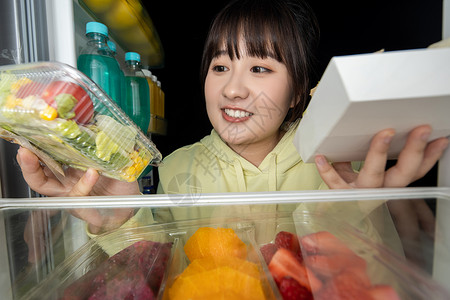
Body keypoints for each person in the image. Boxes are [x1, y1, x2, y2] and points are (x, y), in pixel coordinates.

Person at [17, 0, 448, 257]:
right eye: (220, 66)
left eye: (260, 67)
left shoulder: (339, 160)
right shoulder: (175, 169)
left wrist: (364, 208)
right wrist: (115, 223)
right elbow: (153, 276)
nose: (233, 88)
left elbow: (364, 277)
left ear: (299, 91)